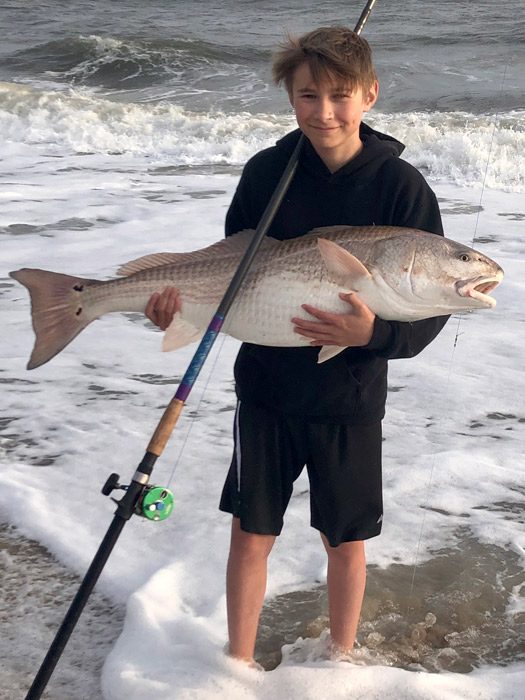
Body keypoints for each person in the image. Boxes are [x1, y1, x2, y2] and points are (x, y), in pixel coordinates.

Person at [145, 26, 448, 667]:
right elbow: (228, 270)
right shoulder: (266, 173)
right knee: (251, 531)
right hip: (266, 390)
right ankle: (237, 662)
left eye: (340, 95)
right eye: (308, 95)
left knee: (346, 538)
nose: (325, 111)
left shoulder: (402, 189)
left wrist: (376, 335)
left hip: (350, 397)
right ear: (290, 97)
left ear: (369, 95)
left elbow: (432, 304)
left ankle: (341, 660)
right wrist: (173, 307)